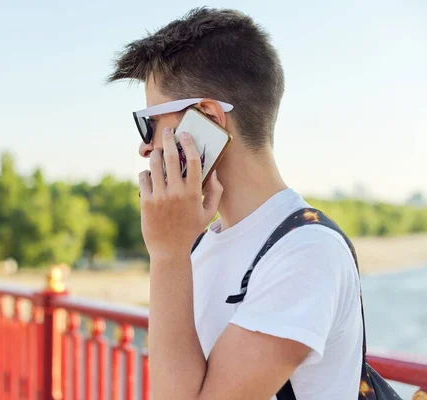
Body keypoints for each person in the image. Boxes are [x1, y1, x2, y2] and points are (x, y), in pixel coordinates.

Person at [107, 7, 362, 400]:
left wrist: (168, 254)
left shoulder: (307, 252)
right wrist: (174, 250)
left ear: (206, 117)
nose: (144, 147)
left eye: (149, 122)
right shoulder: (204, 242)